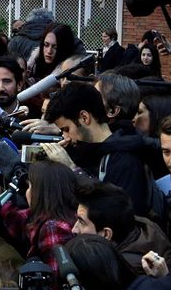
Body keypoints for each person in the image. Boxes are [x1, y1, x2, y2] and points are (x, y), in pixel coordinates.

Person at [48, 83, 153, 211]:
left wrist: (72, 169)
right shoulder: (82, 151)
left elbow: (120, 213)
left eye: (66, 129)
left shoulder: (125, 159)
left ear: (84, 118)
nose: (66, 137)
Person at [0, 159, 79, 264]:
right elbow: (23, 219)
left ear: (40, 193)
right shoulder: (63, 213)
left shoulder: (53, 227)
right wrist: (0, 201)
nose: (27, 191)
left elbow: (57, 276)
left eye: (30, 186)